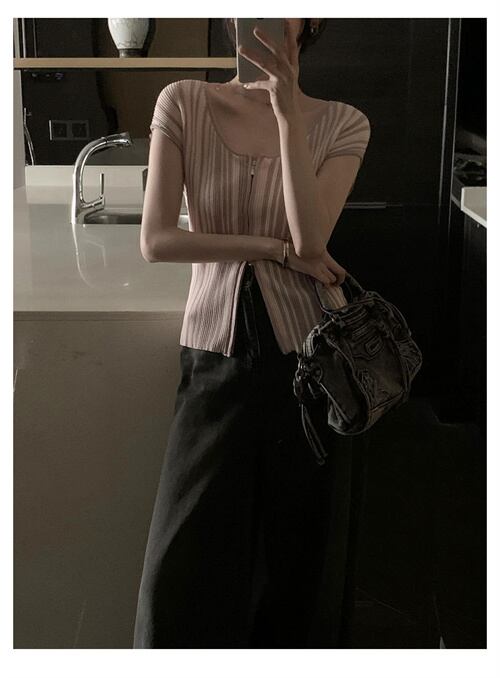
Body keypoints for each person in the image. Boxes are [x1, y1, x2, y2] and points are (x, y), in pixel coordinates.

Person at [133, 18, 371, 649]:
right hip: (213, 356)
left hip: (308, 364)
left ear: (310, 21)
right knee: (179, 568)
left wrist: (288, 114)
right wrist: (271, 249)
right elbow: (157, 241)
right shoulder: (183, 102)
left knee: (294, 568)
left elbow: (312, 241)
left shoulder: (344, 122)